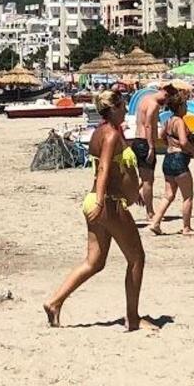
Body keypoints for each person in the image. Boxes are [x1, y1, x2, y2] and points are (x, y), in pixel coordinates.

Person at [43, 90, 146, 331]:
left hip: (97, 200)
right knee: (137, 258)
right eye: (123, 106)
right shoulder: (110, 135)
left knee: (94, 262)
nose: (126, 110)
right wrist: (102, 201)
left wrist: (133, 191)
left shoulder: (100, 132)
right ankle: (133, 318)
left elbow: (115, 170)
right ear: (114, 107)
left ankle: (54, 302)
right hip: (107, 203)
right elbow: (104, 170)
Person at [150, 95, 194, 235]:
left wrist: (170, 144)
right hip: (179, 159)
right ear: (180, 107)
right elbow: (183, 141)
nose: (187, 108)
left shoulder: (168, 120)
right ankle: (186, 227)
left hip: (168, 158)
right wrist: (192, 151)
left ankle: (155, 222)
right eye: (185, 105)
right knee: (187, 196)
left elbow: (161, 135)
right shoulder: (179, 121)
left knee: (168, 195)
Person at [131, 83, 167, 216]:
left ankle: (136, 194)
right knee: (148, 180)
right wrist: (151, 146)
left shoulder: (144, 99)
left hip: (137, 140)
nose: (166, 103)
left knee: (144, 177)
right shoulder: (154, 104)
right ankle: (150, 212)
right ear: (165, 94)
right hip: (145, 143)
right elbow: (148, 126)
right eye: (167, 99)